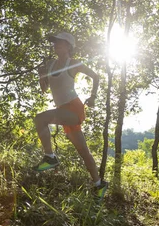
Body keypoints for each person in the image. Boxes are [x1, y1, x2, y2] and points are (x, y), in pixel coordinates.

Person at [31, 32, 108, 199]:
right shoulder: (50, 65)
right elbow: (43, 80)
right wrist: (41, 76)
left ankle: (50, 157)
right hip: (63, 111)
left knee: (40, 118)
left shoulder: (73, 64)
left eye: (59, 42)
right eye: (55, 42)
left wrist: (93, 96)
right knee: (83, 151)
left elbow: (96, 76)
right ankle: (99, 184)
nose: (55, 44)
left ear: (68, 46)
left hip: (73, 109)